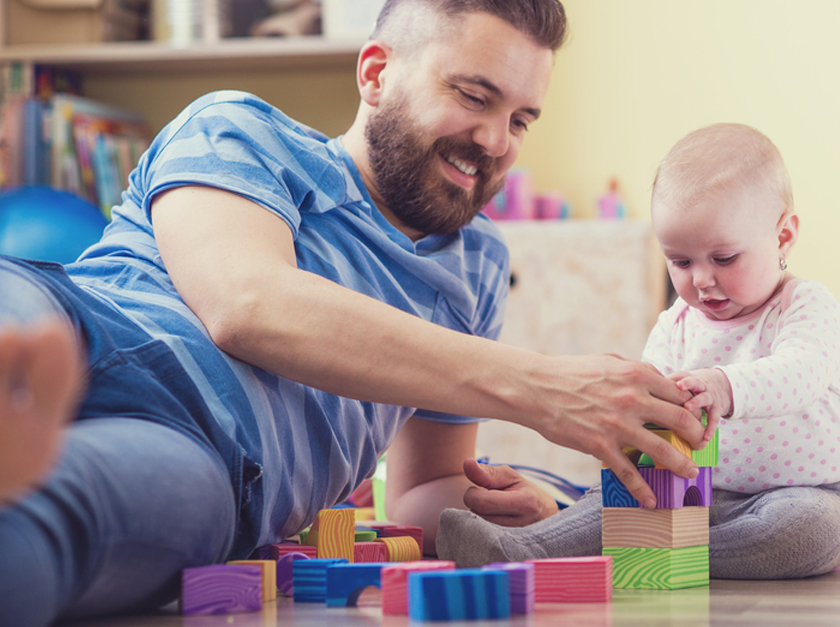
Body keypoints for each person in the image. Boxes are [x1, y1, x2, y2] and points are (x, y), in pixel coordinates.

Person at [0, 1, 708, 625]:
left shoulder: (477, 265)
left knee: (59, 518)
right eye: (473, 95)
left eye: (519, 119)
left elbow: (421, 492)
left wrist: (526, 503)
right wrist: (541, 387)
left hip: (214, 459)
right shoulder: (241, 129)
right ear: (376, 74)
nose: (496, 141)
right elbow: (246, 303)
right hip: (84, 318)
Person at [438, 123, 840, 579]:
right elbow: (644, 401)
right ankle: (525, 548)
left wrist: (724, 386)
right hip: (683, 490)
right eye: (680, 261)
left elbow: (800, 373)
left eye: (723, 259)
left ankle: (662, 554)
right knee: (615, 497)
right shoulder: (675, 322)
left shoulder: (804, 305)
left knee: (814, 531)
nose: (700, 280)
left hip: (796, 494)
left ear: (782, 238)